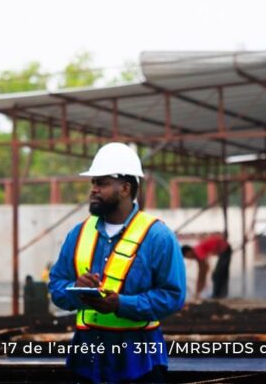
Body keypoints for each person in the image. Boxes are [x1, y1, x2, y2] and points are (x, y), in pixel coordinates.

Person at [49, 142, 186, 383]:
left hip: (140, 363)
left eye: (101, 183)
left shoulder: (157, 237)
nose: (93, 189)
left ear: (124, 188)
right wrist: (75, 290)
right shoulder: (78, 234)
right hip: (87, 361)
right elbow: (57, 287)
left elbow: (173, 296)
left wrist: (121, 304)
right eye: (93, 183)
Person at [182, 234, 232, 299]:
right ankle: (221, 294)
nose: (189, 258)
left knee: (217, 275)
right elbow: (203, 271)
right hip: (223, 249)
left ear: (189, 252)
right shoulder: (197, 251)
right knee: (220, 275)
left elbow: (203, 271)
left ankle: (218, 295)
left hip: (225, 249)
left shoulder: (197, 251)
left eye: (187, 256)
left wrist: (198, 291)